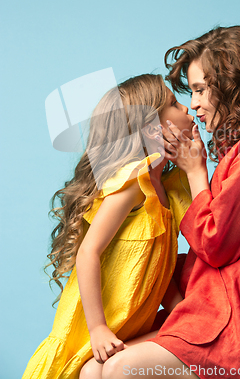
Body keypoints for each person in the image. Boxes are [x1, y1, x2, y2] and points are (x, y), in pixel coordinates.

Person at [98, 26, 240, 379]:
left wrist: (195, 170)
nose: (193, 104)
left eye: (199, 90)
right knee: (94, 368)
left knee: (121, 369)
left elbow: (215, 243)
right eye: (189, 93)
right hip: (220, 316)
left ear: (234, 84)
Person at [22, 74, 195, 379]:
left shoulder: (166, 189)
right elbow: (88, 251)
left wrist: (179, 307)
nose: (187, 108)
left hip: (127, 324)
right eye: (173, 103)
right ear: (153, 127)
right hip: (101, 323)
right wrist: (98, 328)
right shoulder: (133, 183)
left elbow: (153, 266)